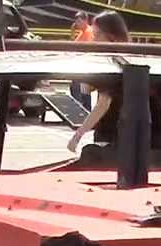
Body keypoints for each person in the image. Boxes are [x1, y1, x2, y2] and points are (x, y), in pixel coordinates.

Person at [68, 11, 129, 152]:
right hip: (123, 135)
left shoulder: (112, 64)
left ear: (112, 36)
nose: (94, 40)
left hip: (109, 136)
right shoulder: (124, 59)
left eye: (97, 35)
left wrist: (77, 136)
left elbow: (103, 105)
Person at [70, 12, 93, 110]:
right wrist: (72, 32)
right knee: (77, 88)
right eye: (76, 21)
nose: (77, 24)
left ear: (86, 21)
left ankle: (83, 109)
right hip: (80, 64)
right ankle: (82, 108)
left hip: (86, 65)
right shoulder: (82, 32)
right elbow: (73, 45)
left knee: (79, 89)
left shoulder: (89, 32)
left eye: (79, 21)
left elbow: (88, 47)